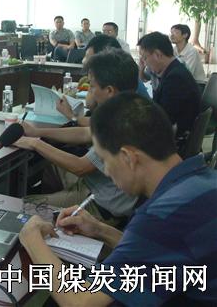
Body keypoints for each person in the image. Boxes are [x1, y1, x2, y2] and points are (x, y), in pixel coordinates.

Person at [19, 93, 217, 306]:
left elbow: (80, 301)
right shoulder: (202, 180)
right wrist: (100, 230)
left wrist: (31, 238)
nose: (106, 171)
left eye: (105, 160)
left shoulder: (162, 215)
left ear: (128, 157)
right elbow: (158, 250)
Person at [15, 49, 139, 224]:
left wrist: (35, 143)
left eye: (92, 86)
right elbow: (84, 133)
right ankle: (57, 210)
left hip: (100, 204)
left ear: (110, 90)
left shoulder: (120, 123)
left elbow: (80, 167)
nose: (91, 91)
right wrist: (37, 132)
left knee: (22, 206)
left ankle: (55, 219)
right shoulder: (126, 108)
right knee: (51, 166)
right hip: (96, 185)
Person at [56, 35, 150, 125]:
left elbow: (91, 108)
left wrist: (72, 116)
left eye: (88, 57)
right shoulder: (119, 75)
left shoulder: (124, 87)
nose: (83, 61)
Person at [138, 31, 201, 139]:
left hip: (173, 139)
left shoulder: (175, 78)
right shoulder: (174, 70)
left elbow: (163, 119)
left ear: (158, 55)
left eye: (144, 58)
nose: (144, 63)